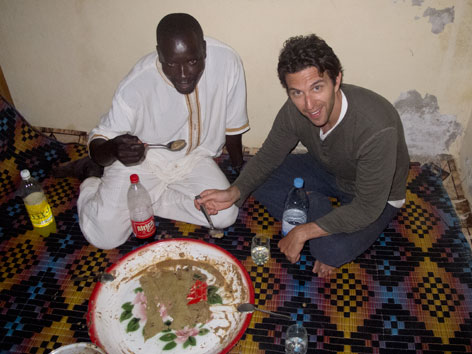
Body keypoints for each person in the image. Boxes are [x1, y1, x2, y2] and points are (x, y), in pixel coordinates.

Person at [196, 34, 409, 277]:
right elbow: (268, 157)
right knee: (252, 176)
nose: (309, 105)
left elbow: (367, 208)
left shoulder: (376, 127)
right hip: (328, 170)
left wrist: (303, 232)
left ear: (336, 80)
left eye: (317, 88)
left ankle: (312, 209)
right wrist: (234, 192)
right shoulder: (294, 110)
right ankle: (315, 204)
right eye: (296, 92)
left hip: (374, 197)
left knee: (329, 251)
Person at [77, 13, 249, 249]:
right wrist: (115, 149)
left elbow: (234, 125)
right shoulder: (136, 84)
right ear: (159, 54)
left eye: (192, 61)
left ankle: (146, 200)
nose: (183, 75)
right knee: (104, 237)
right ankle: (90, 182)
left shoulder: (228, 62)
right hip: (142, 163)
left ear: (204, 49)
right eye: (171, 64)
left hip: (194, 159)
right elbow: (98, 144)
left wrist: (240, 169)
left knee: (225, 215)